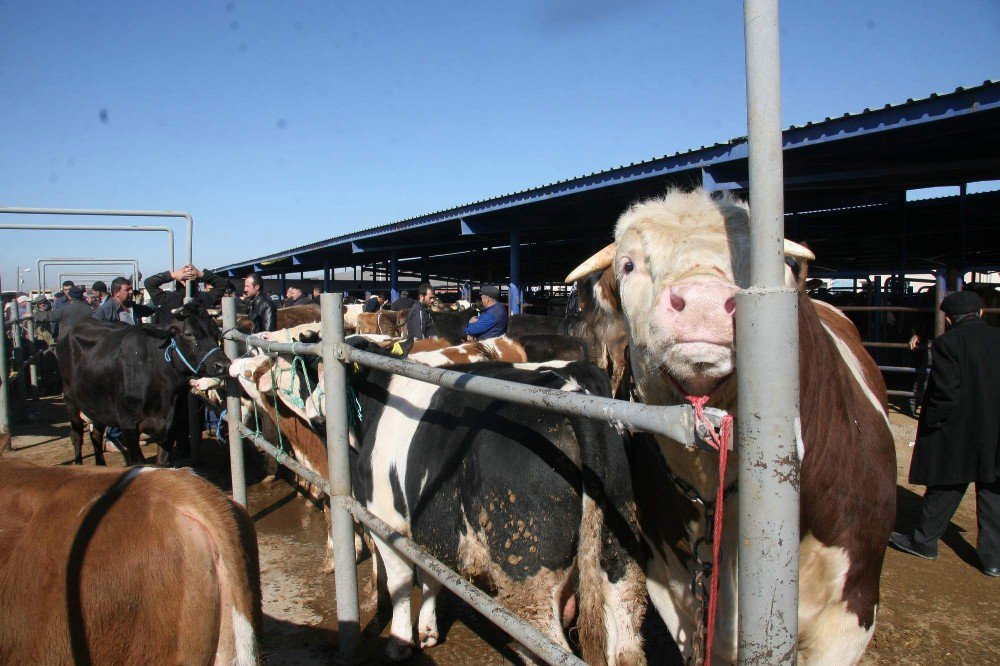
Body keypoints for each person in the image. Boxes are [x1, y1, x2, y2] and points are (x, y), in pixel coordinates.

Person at [890, 291, 1000, 577]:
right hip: (996, 428)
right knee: (993, 488)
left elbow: (945, 392)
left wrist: (935, 424)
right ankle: (993, 559)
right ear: (981, 314)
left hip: (959, 429)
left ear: (949, 319)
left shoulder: (947, 344)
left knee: (947, 483)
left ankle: (924, 541)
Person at [144, 264, 227, 323]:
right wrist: (199, 274)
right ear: (196, 283)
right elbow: (222, 284)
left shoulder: (166, 299)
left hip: (171, 345)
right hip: (198, 345)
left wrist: (174, 275)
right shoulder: (204, 299)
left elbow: (149, 283)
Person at [26, 286, 93, 340]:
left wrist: (32, 314)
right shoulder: (90, 310)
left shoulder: (65, 309)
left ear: (70, 297)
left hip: (69, 340)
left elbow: (49, 316)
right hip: (87, 340)